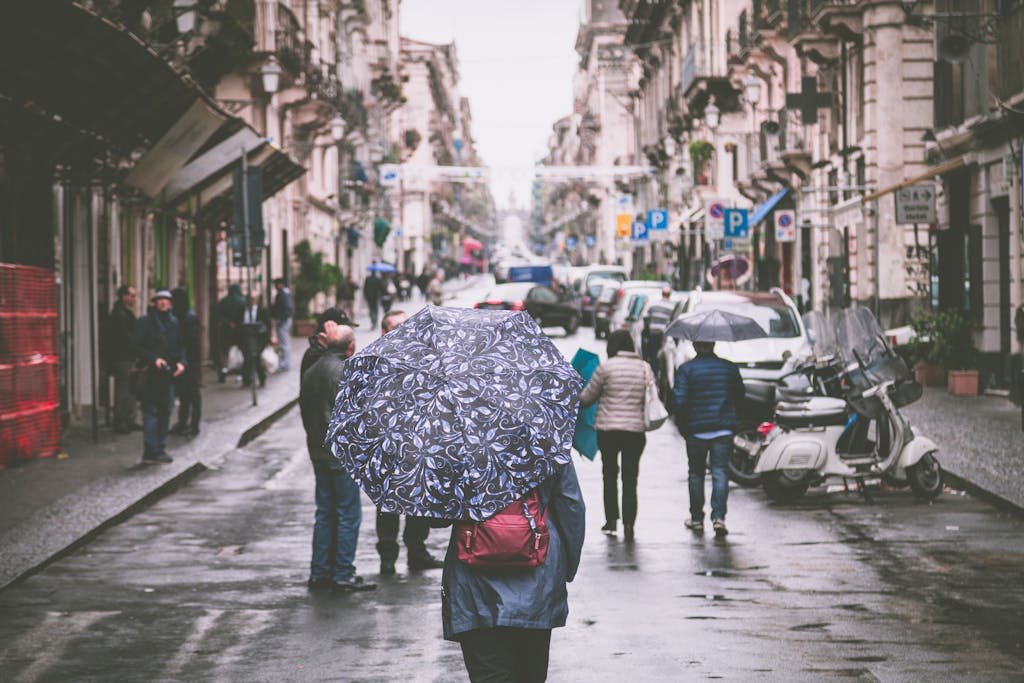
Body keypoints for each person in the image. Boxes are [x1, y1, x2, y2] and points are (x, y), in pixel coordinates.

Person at [441, 462, 585, 683]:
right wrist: (566, 568)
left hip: (474, 584)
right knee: (530, 674)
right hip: (537, 580)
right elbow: (572, 507)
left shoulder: (458, 444)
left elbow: (433, 516)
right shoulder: (548, 441)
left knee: (489, 673)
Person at [299, 321, 376, 592]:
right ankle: (342, 572)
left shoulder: (311, 371)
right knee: (347, 514)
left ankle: (320, 572)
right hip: (340, 454)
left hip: (318, 451)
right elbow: (357, 416)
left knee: (325, 513)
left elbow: (306, 412)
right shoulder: (345, 372)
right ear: (351, 347)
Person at [374, 309, 444, 575]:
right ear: (384, 331)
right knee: (387, 506)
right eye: (396, 328)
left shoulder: (423, 358)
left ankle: (417, 552)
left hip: (419, 445)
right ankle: (388, 557)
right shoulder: (376, 362)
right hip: (388, 447)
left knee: (419, 502)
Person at [579, 330, 652, 541]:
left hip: (608, 431)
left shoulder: (606, 368)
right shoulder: (644, 368)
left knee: (609, 476)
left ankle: (611, 521)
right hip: (635, 432)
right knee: (630, 479)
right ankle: (629, 525)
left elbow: (586, 399)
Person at [672, 340, 745, 538]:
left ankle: (696, 519)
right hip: (723, 429)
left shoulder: (687, 370)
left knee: (696, 473)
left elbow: (680, 401)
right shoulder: (729, 368)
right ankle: (719, 518)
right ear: (713, 344)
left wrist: (683, 425)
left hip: (696, 430)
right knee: (720, 472)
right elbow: (740, 396)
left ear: (695, 346)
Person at [134, 289, 185, 464]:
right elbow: (137, 346)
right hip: (150, 374)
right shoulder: (145, 322)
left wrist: (181, 363)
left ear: (171, 304)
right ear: (154, 303)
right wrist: (153, 359)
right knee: (150, 412)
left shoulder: (174, 323)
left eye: (166, 300)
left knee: (166, 412)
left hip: (168, 375)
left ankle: (161, 448)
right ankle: (151, 450)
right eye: (159, 300)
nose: (163, 303)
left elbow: (179, 347)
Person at [103, 284, 139, 434]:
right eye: (131, 295)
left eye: (134, 296)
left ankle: (128, 419)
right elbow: (125, 337)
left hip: (126, 356)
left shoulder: (123, 313)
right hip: (122, 357)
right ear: (124, 296)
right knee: (123, 390)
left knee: (129, 389)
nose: (134, 299)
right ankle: (121, 421)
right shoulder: (120, 314)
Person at [170, 287, 201, 437]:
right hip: (187, 360)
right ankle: (185, 423)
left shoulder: (186, 317)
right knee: (186, 393)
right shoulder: (184, 316)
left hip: (189, 361)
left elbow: (191, 342)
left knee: (191, 393)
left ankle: (192, 424)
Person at [300, 307, 359, 377]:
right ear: (326, 329)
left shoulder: (338, 351)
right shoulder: (315, 355)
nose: (349, 335)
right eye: (342, 330)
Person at [215, 284, 245, 382]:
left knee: (224, 352)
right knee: (240, 351)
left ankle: (224, 370)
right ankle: (240, 372)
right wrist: (236, 323)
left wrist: (228, 322)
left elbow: (218, 315)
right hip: (239, 330)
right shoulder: (243, 301)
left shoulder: (223, 301)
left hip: (226, 330)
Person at [241, 292, 272, 388]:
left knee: (257, 358)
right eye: (250, 299)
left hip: (258, 338)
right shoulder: (243, 309)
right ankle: (246, 380)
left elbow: (268, 324)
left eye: (253, 299)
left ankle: (262, 379)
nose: (251, 301)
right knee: (247, 359)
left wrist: (268, 338)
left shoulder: (262, 310)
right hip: (246, 337)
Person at [270, 278, 293, 372]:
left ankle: (284, 364)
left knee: (283, 343)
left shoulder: (283, 294)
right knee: (284, 343)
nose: (275, 286)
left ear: (280, 284)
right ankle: (284, 363)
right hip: (284, 320)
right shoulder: (285, 293)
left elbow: (287, 308)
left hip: (283, 321)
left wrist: (281, 319)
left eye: (276, 284)